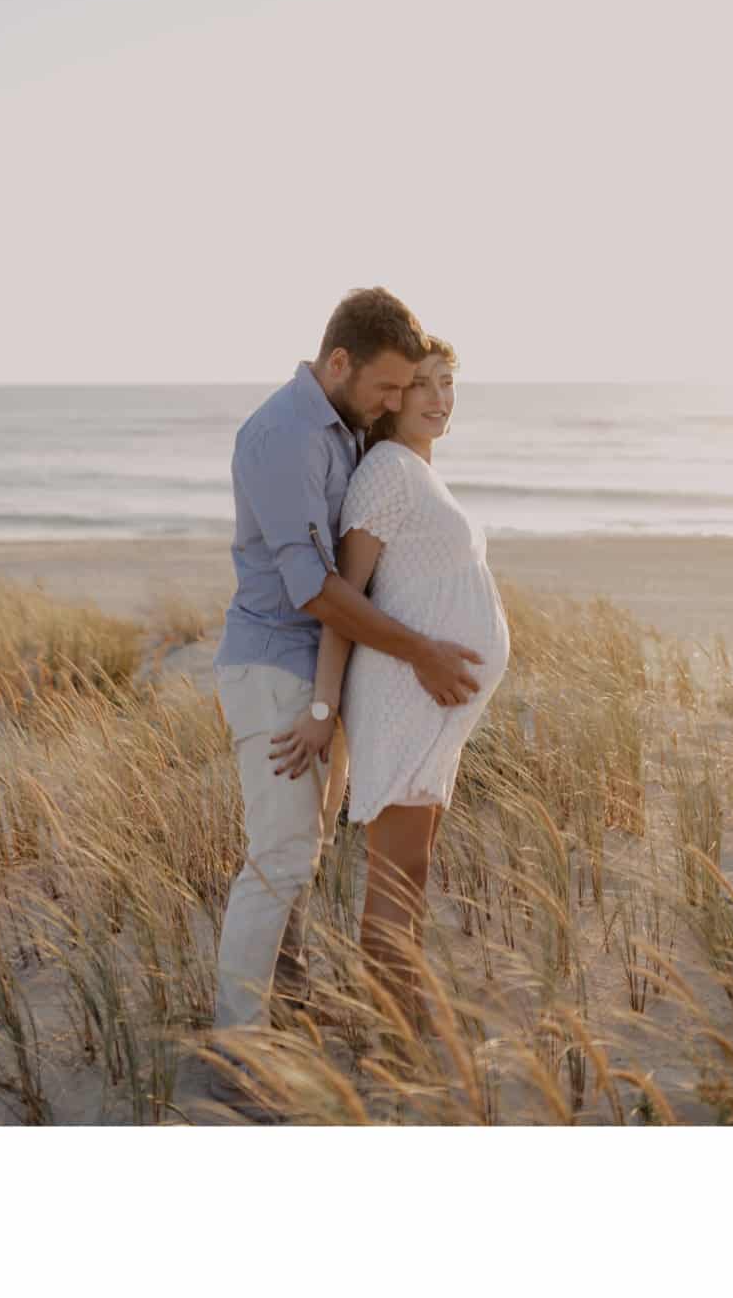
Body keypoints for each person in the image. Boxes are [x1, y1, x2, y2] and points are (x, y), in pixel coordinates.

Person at [206, 289, 485, 1114]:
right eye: (389, 387)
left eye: (410, 391)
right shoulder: (283, 437)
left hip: (316, 676)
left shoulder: (340, 430)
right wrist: (421, 651)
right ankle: (237, 1051)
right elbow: (317, 591)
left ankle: (282, 1007)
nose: (397, 403)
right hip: (277, 671)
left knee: (305, 847)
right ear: (339, 363)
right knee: (282, 854)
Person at [267, 337, 510, 1039]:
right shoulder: (387, 472)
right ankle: (396, 1036)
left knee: (413, 867)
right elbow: (342, 593)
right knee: (396, 876)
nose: (438, 398)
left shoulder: (418, 472)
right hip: (405, 699)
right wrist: (323, 705)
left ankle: (403, 1017)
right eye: (423, 385)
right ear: (394, 396)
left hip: (433, 708)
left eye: (447, 384)